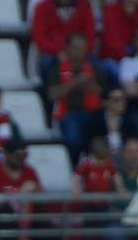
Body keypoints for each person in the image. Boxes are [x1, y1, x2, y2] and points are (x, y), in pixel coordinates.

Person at [45, 31, 110, 164]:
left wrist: (90, 87)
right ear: (67, 48)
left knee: (105, 138)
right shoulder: (56, 69)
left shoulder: (96, 69)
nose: (79, 51)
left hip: (94, 115)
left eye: (82, 48)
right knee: (74, 138)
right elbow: (52, 94)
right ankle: (73, 169)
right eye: (76, 48)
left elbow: (104, 94)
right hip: (69, 114)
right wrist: (75, 82)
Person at [32, 0, 97, 85]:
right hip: (54, 56)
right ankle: (49, 102)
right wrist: (58, 53)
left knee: (99, 66)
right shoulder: (42, 7)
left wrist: (76, 53)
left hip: (80, 54)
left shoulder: (84, 7)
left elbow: (90, 35)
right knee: (45, 63)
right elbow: (39, 37)